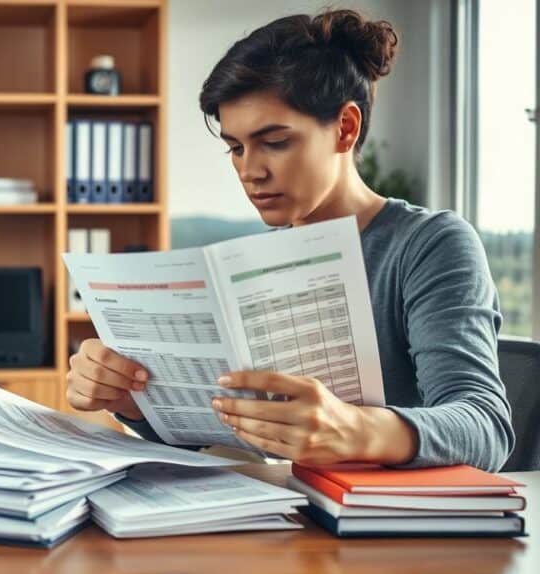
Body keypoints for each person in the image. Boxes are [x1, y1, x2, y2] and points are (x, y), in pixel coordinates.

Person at [65, 8, 514, 472]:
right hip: (280, 517)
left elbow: (485, 425)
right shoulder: (259, 261)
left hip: (386, 529)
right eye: (236, 147)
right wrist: (134, 402)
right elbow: (224, 429)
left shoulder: (428, 244)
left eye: (275, 142)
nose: (249, 171)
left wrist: (356, 428)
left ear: (345, 128)